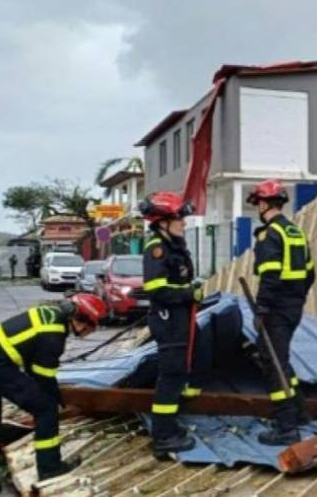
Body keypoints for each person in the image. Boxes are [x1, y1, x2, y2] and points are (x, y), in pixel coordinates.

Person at [0, 293, 107, 496]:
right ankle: (49, 468)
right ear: (83, 320)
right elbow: (43, 376)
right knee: (46, 410)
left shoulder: (49, 315)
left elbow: (33, 366)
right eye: (94, 325)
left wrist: (48, 393)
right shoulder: (54, 333)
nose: (92, 331)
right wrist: (55, 400)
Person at [247, 179, 315, 445]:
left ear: (264, 204)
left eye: (258, 204)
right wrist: (297, 297)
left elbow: (270, 275)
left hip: (275, 308)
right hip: (293, 305)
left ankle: (286, 427)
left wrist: (262, 308)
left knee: (273, 363)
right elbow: (310, 273)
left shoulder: (270, 235)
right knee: (282, 360)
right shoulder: (295, 232)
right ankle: (299, 412)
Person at [139, 192, 202, 456]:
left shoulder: (174, 246)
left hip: (179, 317)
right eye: (179, 219)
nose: (184, 223)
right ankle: (163, 436)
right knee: (171, 375)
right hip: (168, 319)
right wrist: (189, 294)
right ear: (163, 222)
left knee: (178, 373)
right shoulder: (157, 249)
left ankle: (169, 425)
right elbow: (156, 290)